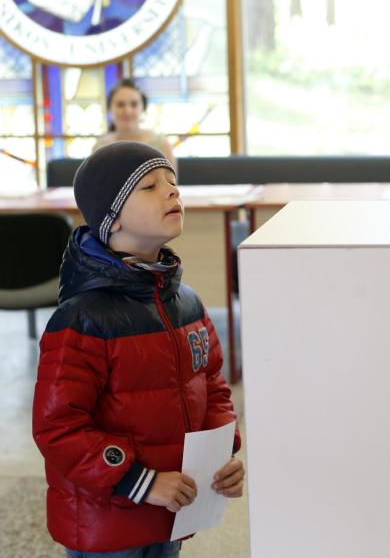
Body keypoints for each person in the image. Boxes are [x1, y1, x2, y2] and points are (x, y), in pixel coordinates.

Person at [32, 142, 243, 556]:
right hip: (108, 518)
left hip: (172, 511)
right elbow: (58, 427)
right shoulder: (84, 318)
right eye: (148, 186)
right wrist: (139, 482)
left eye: (172, 182)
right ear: (111, 219)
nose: (171, 191)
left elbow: (212, 385)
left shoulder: (186, 303)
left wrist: (222, 452)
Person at [95, 79, 177, 168]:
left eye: (134, 104)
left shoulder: (162, 145)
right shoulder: (99, 148)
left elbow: (171, 181)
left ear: (143, 108)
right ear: (109, 109)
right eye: (120, 104)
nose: (127, 111)